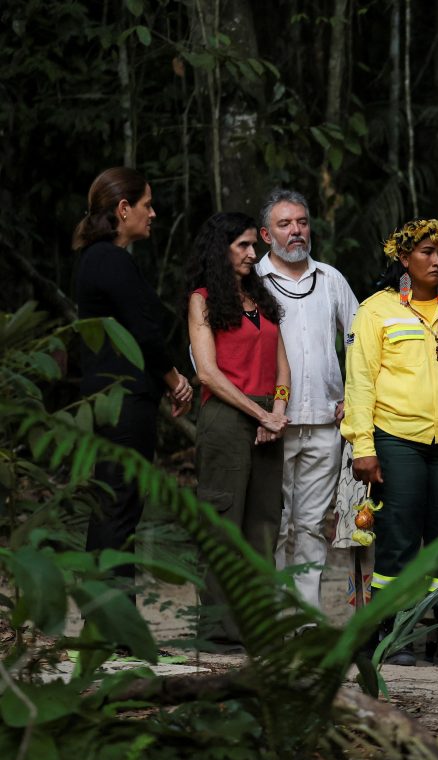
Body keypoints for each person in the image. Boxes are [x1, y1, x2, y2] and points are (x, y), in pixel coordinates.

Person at [342, 218, 438, 670]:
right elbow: (360, 383)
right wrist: (363, 446)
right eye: (427, 252)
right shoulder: (376, 310)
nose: (437, 260)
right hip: (397, 440)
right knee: (398, 539)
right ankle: (393, 632)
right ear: (403, 259)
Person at [74, 167, 193, 589]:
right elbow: (143, 333)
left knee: (117, 502)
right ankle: (109, 619)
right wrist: (175, 379)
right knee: (118, 503)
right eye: (146, 205)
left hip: (114, 397)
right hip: (120, 399)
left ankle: (110, 617)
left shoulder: (102, 259)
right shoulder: (108, 260)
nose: (153, 213)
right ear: (123, 210)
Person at [187, 211, 291, 648]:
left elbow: (282, 360)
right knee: (224, 522)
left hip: (268, 416)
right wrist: (258, 414)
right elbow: (208, 374)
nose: (253, 254)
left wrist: (278, 409)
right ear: (221, 250)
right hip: (227, 417)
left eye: (254, 245)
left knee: (265, 522)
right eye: (243, 246)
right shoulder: (202, 298)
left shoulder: (261, 298)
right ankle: (218, 630)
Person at [256, 188, 358, 611]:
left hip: (323, 423)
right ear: (266, 234)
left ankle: (306, 619)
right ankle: (275, 617)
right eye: (285, 224)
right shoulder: (252, 280)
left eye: (301, 222)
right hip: (269, 425)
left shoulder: (330, 278)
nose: (296, 231)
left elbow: (361, 341)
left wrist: (353, 396)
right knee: (275, 526)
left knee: (312, 526)